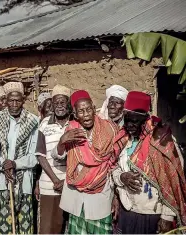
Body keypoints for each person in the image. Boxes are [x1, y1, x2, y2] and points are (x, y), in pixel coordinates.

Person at [111, 91, 186, 234]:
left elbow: (173, 180)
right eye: (127, 120)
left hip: (153, 214)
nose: (130, 125)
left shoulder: (162, 142)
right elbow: (113, 167)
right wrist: (121, 177)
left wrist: (167, 216)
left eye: (135, 121)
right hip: (126, 210)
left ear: (146, 119)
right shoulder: (123, 140)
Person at [52, 90, 119, 234]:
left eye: (89, 109)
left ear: (94, 109)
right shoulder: (71, 130)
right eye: (81, 111)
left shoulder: (110, 129)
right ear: (75, 115)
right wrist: (62, 141)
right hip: (76, 194)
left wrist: (117, 196)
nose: (86, 114)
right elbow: (58, 156)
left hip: (101, 193)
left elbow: (116, 161)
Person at [0, 82, 39, 234]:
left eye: (17, 100)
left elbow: (35, 156)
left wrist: (14, 164)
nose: (14, 104)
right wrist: (4, 164)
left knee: (24, 227)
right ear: (6, 100)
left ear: (23, 100)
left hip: (24, 182)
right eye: (10, 100)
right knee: (2, 226)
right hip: (1, 182)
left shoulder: (33, 121)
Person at [35, 85, 71, 234]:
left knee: (68, 228)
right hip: (49, 186)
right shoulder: (44, 125)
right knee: (48, 228)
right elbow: (40, 155)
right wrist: (56, 180)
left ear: (69, 103)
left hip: (72, 185)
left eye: (63, 102)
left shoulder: (76, 123)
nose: (59, 106)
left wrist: (67, 181)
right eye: (56, 103)